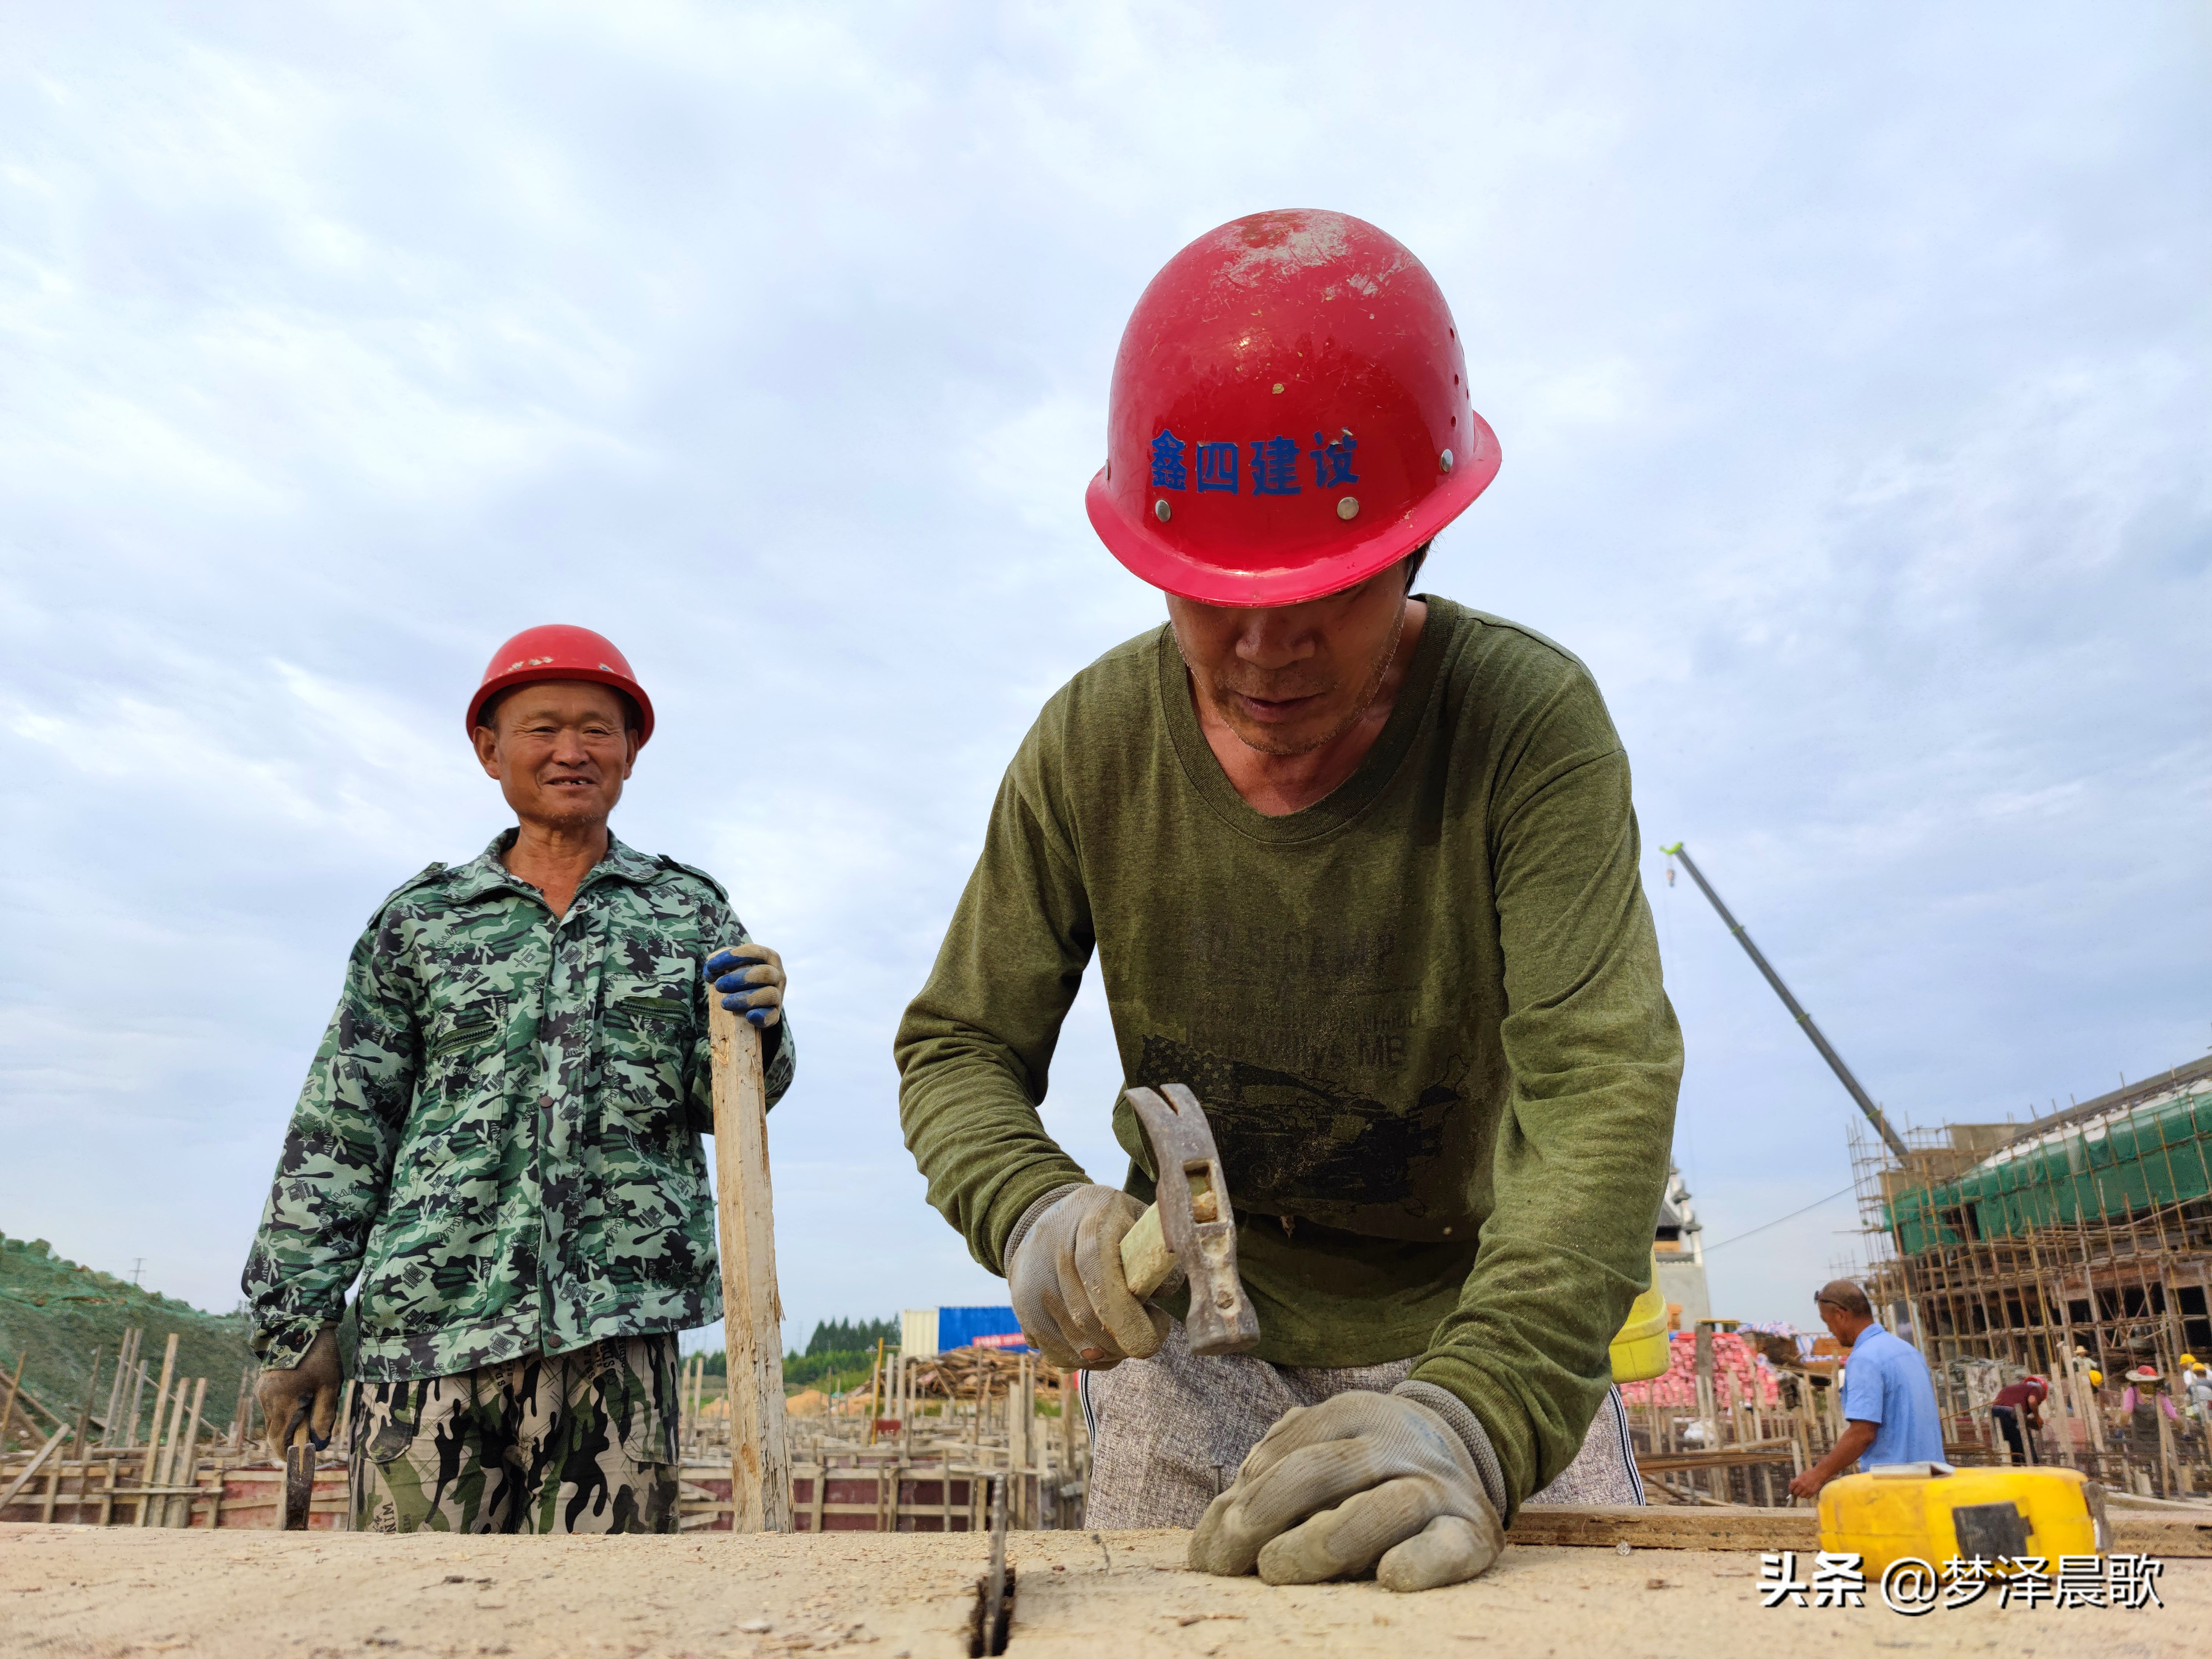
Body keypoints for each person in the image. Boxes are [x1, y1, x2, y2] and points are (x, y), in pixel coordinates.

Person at [896, 210, 1683, 1593]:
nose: (1261, 650)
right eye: (1209, 595)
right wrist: (1027, 1211)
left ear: (1413, 550)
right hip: (1188, 1367)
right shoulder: (1087, 748)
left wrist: (1479, 1416)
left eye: (1320, 591)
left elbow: (1597, 1087)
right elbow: (956, 1045)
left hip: (1475, 1327)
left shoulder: (1523, 727)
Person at [242, 625, 795, 1533]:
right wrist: (296, 1324)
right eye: (542, 729)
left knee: (597, 1617)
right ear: (489, 748)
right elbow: (342, 1127)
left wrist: (762, 1030)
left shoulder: (687, 910)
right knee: (406, 1615)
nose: (571, 751)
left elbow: (722, 1100)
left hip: (615, 1333)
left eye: (597, 729)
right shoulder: (420, 922)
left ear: (631, 752)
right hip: (428, 1332)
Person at [1788, 1280, 1944, 1498]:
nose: (1830, 1331)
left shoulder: (1864, 1359)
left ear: (1841, 1315)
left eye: (1828, 1322)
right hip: (1932, 1484)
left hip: (1894, 1489)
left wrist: (1817, 1475)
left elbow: (1863, 1434)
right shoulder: (1907, 1351)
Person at [1989, 1373, 2046, 1465]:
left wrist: (2030, 1422)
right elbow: (2032, 1401)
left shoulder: (2011, 1389)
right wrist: (2037, 1418)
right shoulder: (2035, 1389)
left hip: (1995, 1413)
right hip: (2012, 1413)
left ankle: (2015, 1467)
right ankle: (2034, 1467)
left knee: (2011, 1444)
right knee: (2026, 1444)